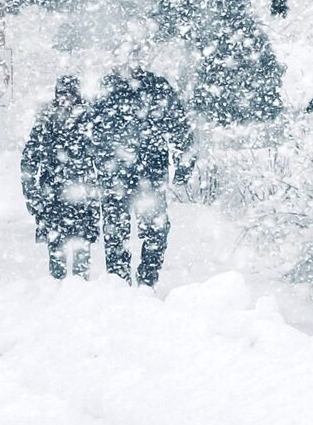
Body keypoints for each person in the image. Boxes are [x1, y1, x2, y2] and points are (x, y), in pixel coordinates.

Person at [86, 64, 190, 286]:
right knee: (116, 233)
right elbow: (91, 131)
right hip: (115, 176)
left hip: (149, 175)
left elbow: (180, 128)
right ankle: (118, 283)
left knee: (155, 230)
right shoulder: (108, 88)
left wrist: (184, 164)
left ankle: (146, 281)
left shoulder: (158, 88)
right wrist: (98, 162)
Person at [18, 76, 100, 278]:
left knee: (81, 251)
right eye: (62, 94)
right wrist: (31, 194)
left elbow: (102, 156)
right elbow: (30, 159)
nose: (66, 99)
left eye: (70, 94)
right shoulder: (46, 122)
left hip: (82, 196)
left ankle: (80, 290)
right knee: (57, 252)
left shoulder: (89, 121)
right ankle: (58, 290)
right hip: (53, 197)